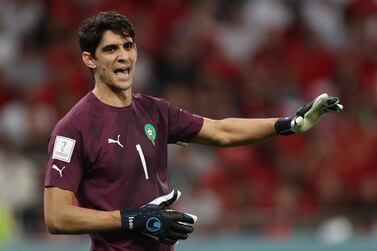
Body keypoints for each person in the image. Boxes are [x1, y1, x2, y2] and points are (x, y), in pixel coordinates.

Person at [43, 11, 343, 251]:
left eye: (128, 46)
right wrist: (130, 220)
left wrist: (287, 124)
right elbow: (56, 217)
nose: (124, 56)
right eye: (111, 49)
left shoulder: (154, 110)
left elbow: (221, 130)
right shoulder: (73, 129)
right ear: (90, 59)